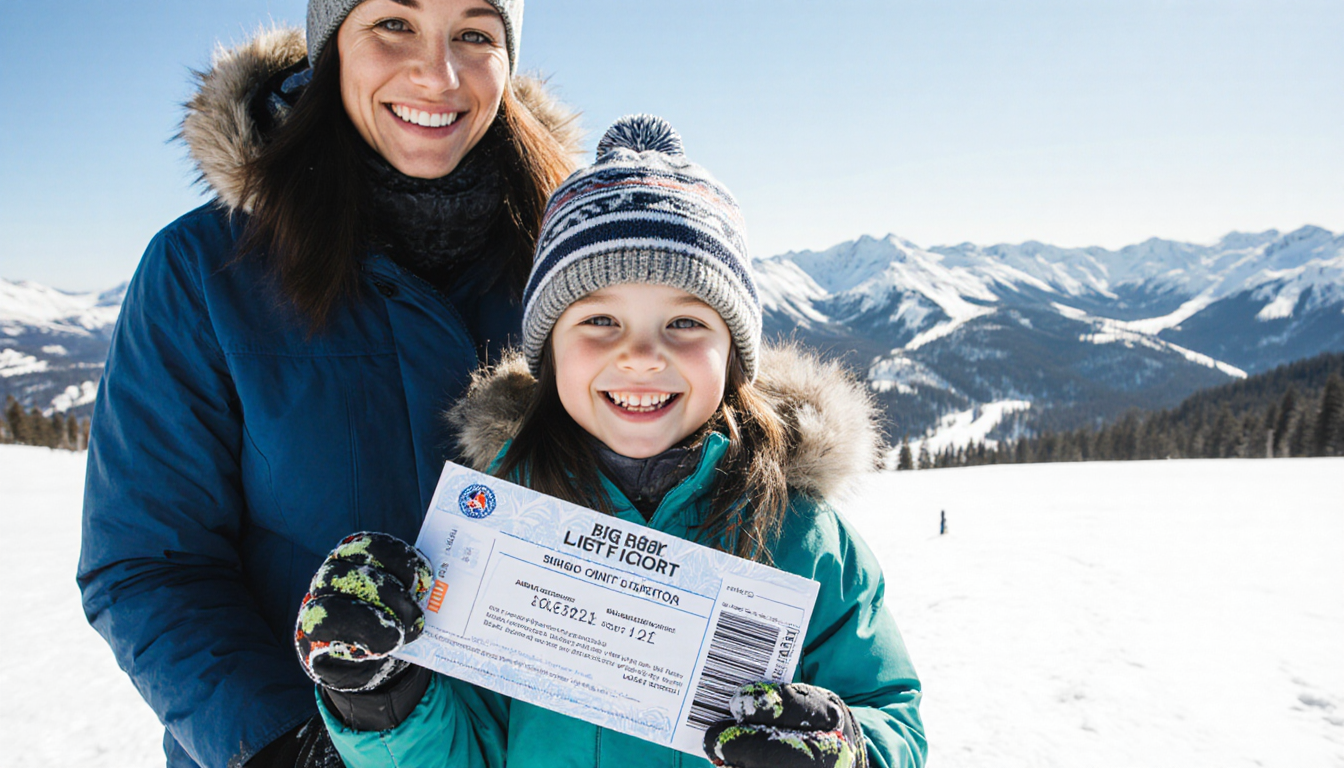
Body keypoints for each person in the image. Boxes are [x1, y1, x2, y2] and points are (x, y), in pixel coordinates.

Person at [294, 115, 927, 768]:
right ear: (550, 352)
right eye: (600, 320)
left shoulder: (801, 537)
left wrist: (847, 749)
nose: (643, 355)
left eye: (684, 321)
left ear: (734, 356)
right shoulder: (497, 526)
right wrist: (380, 696)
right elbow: (461, 751)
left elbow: (890, 711)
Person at [77, 1, 579, 766]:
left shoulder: (583, 270)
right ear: (329, 47)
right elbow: (149, 561)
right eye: (393, 24)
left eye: (475, 34)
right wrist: (287, 743)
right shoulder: (208, 270)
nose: (438, 74)